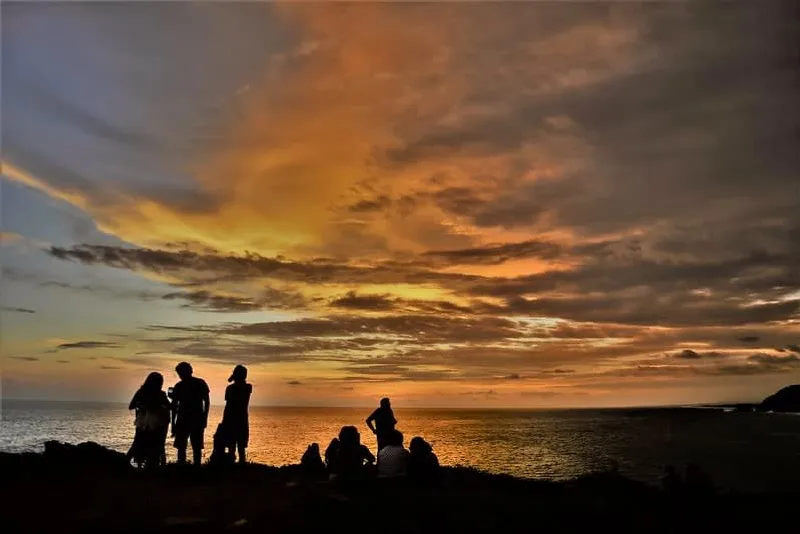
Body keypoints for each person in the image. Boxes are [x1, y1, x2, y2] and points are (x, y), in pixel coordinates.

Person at [126, 372, 170, 469]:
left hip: (145, 424)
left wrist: (141, 406)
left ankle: (128, 465)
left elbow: (131, 406)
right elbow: (169, 407)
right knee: (157, 446)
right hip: (154, 424)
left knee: (138, 444)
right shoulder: (160, 394)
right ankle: (159, 467)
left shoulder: (142, 392)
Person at [170, 362, 210, 465]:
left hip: (187, 419)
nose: (180, 375)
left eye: (180, 372)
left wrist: (173, 424)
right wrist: (204, 418)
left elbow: (174, 407)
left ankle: (184, 467)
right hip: (191, 419)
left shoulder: (179, 386)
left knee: (186, 447)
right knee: (192, 447)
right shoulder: (199, 383)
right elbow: (207, 402)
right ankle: (192, 468)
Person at [221, 364, 252, 463]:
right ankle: (240, 466)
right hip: (240, 419)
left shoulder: (233, 388)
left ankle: (234, 466)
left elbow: (228, 404)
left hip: (232, 418)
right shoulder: (247, 387)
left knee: (234, 446)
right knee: (239, 446)